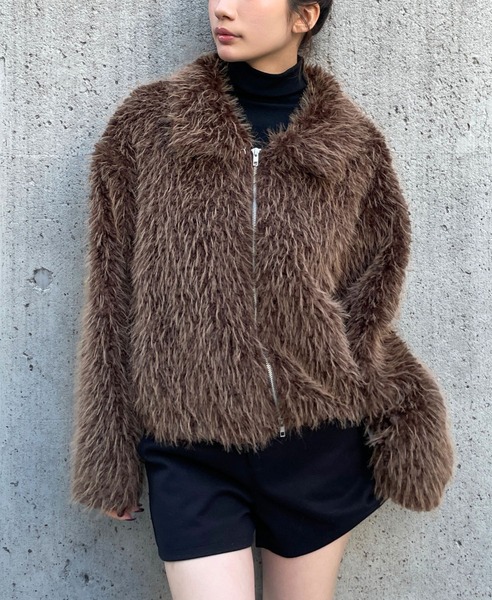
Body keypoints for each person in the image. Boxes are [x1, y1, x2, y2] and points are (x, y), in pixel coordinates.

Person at [69, 1, 455, 598]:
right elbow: (110, 301)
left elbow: (372, 292)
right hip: (190, 447)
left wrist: (384, 399)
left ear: (304, 16)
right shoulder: (147, 127)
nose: (223, 7)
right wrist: (108, 452)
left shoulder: (353, 146)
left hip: (316, 443)